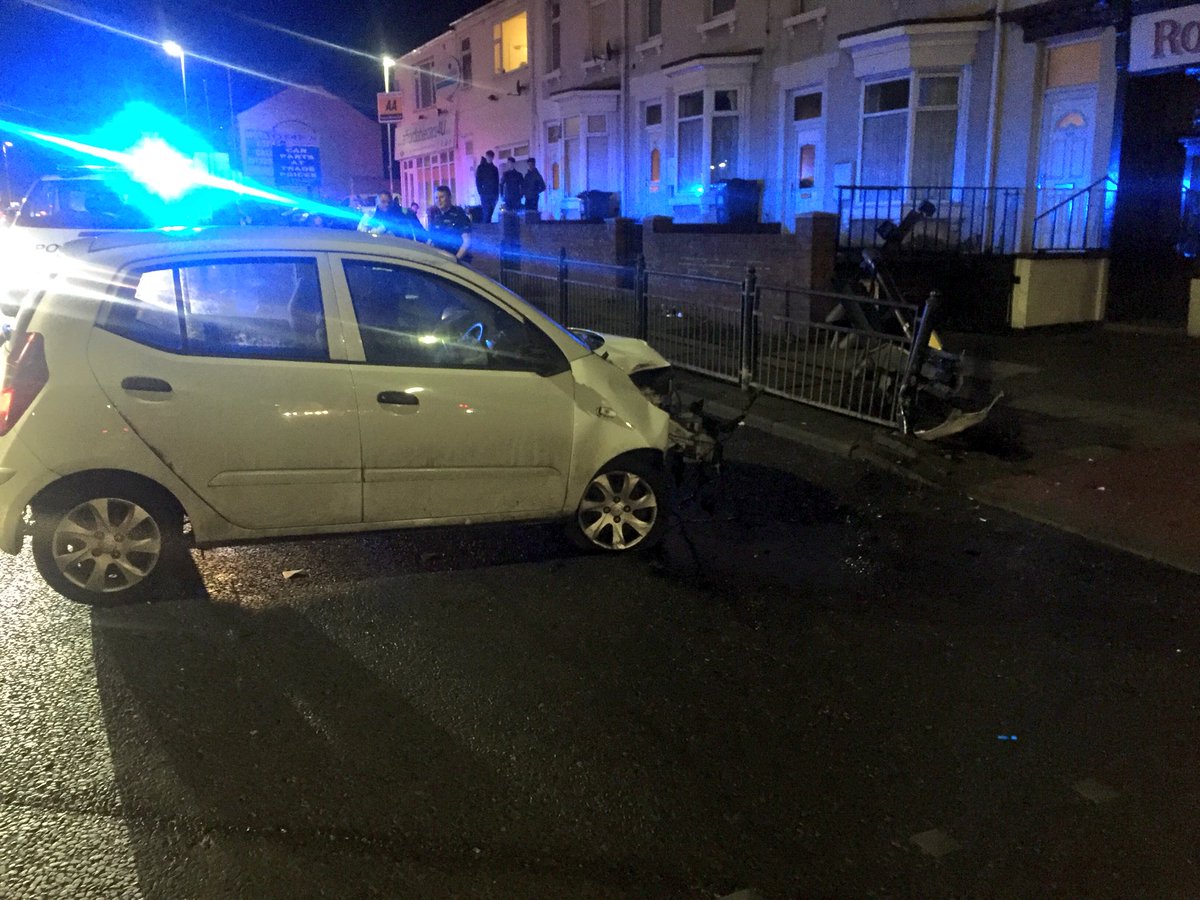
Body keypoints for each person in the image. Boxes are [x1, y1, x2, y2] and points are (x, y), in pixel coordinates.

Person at [426, 185, 472, 263]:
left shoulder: (459, 215)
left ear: (449, 197)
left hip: (456, 260)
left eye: (442, 197)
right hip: (439, 260)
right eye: (436, 198)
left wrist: (455, 261)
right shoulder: (434, 215)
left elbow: (467, 242)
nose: (438, 200)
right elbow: (430, 240)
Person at [475, 150, 499, 223]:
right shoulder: (481, 168)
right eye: (488, 157)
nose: (489, 158)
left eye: (490, 157)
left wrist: (497, 194)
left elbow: (497, 182)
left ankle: (488, 228)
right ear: (486, 157)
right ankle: (485, 229)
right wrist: (480, 191)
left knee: (490, 213)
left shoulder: (495, 169)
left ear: (492, 158)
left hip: (493, 194)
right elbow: (478, 180)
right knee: (486, 213)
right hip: (485, 194)